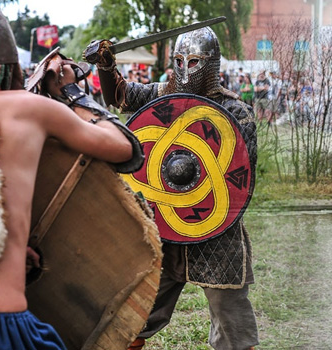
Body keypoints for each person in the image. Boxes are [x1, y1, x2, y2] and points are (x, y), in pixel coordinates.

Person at [0, 0, 143, 349]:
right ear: (6, 65)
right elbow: (126, 149)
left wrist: (9, 245)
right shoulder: (28, 109)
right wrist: (70, 90)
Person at [86, 26, 259, 350]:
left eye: (193, 62)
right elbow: (119, 96)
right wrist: (106, 66)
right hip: (165, 225)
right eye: (179, 60)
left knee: (232, 321)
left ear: (210, 65)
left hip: (214, 230)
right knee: (137, 314)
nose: (184, 68)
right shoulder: (161, 96)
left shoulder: (235, 111)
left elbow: (239, 176)